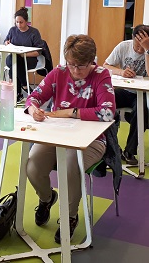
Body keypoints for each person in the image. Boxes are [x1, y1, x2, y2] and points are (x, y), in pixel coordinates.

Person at [25, 34, 115, 244]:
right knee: (33, 165)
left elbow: (108, 112)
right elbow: (34, 96)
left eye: (81, 66)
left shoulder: (102, 75)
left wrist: (71, 112)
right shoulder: (59, 73)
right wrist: (33, 108)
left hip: (91, 140)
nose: (75, 71)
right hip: (57, 134)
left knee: (71, 162)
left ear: (92, 61)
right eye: (71, 64)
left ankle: (70, 215)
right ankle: (47, 198)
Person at [103, 25, 149, 165]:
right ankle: (111, 147)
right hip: (126, 91)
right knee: (105, 103)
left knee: (141, 109)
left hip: (148, 94)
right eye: (137, 46)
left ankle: (130, 151)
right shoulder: (123, 46)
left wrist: (147, 50)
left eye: (142, 46)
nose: (138, 50)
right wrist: (121, 72)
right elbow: (106, 66)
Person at [4, 7, 46, 102]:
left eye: (21, 22)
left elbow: (38, 52)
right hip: (13, 58)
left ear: (26, 21)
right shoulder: (12, 30)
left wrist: (24, 55)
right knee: (14, 60)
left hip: (29, 59)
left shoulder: (34, 32)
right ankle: (24, 85)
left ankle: (18, 92)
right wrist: (7, 43)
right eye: (17, 22)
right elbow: (6, 41)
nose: (18, 24)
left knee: (15, 64)